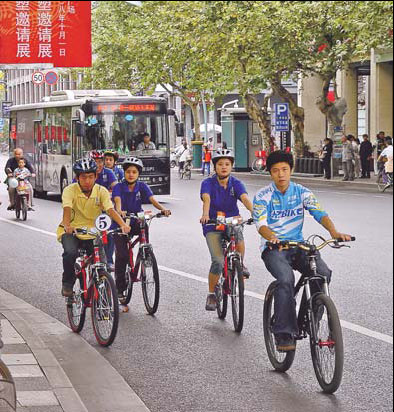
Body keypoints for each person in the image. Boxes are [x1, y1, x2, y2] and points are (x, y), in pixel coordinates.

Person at [253, 150, 352, 351]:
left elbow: (319, 213)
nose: (280, 174)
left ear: (291, 170)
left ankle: (308, 320)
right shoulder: (263, 196)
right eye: (275, 171)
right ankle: (283, 333)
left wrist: (334, 231)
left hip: (298, 245)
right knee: (285, 279)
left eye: (284, 169)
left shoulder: (302, 192)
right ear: (270, 173)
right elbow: (260, 224)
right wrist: (271, 236)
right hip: (274, 248)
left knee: (322, 274)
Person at [56, 159, 130, 298]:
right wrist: (67, 226)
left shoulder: (101, 191)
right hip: (73, 231)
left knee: (101, 265)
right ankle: (67, 283)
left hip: (93, 232)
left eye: (91, 177)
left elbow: (110, 209)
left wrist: (122, 224)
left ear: (96, 177)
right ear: (77, 178)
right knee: (70, 253)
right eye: (83, 177)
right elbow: (67, 208)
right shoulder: (69, 190)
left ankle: (103, 298)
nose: (88, 181)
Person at [112, 156, 171, 311]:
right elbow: (117, 203)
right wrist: (120, 212)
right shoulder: (118, 187)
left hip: (136, 219)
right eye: (128, 172)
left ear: (138, 173)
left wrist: (162, 210)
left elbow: (152, 200)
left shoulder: (142, 186)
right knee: (122, 255)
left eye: (134, 172)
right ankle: (119, 288)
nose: (131, 174)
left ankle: (145, 254)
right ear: (124, 173)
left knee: (145, 225)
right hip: (121, 222)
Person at [200, 149, 254, 311]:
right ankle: (211, 293)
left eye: (227, 164)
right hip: (212, 223)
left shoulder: (236, 183)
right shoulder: (207, 183)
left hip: (231, 221)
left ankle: (241, 264)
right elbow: (206, 199)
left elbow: (244, 198)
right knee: (217, 260)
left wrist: (255, 214)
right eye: (220, 164)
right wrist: (205, 215)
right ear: (215, 167)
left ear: (231, 166)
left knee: (238, 232)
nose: (224, 167)